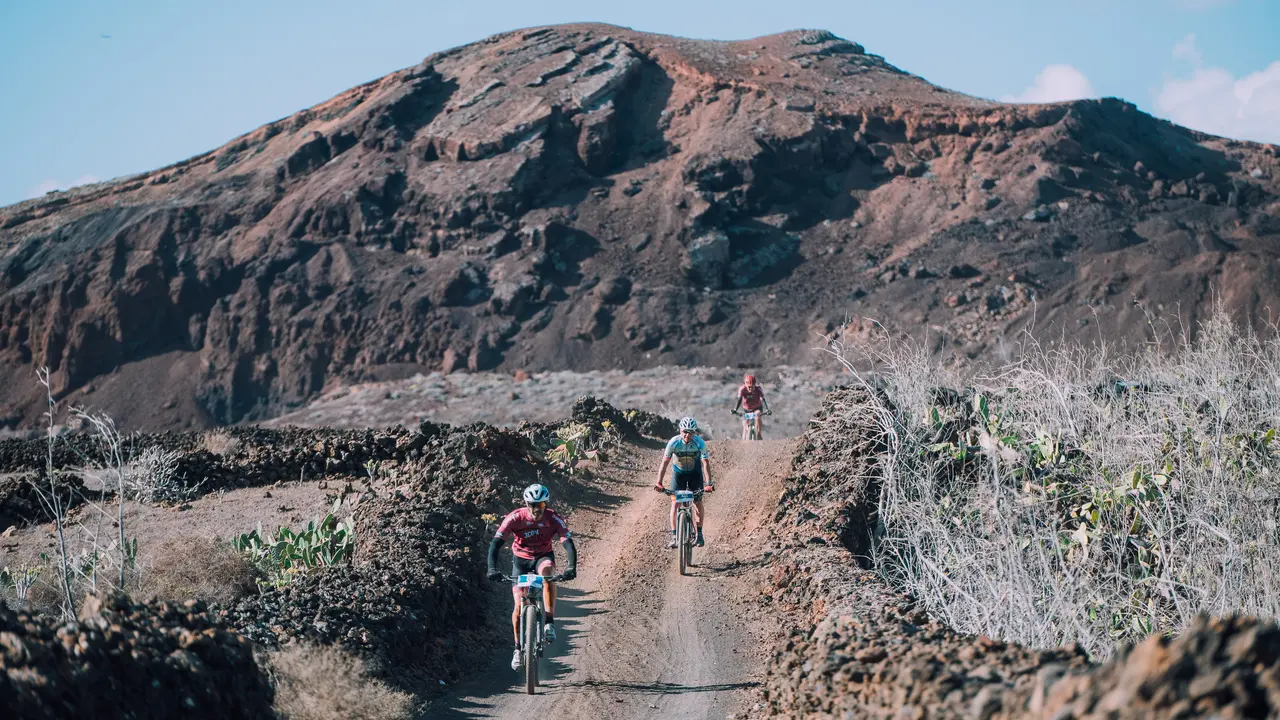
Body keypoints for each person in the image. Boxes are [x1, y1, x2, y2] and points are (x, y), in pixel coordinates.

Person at [487, 483, 577, 671]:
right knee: (518, 606)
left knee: (548, 574)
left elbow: (567, 542)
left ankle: (549, 623)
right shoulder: (515, 517)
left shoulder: (553, 518)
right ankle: (518, 649)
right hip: (521, 561)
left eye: (541, 505)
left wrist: (571, 567)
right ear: (527, 504)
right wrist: (492, 568)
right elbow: (496, 543)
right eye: (533, 505)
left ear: (546, 504)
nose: (537, 509)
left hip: (542, 557)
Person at [653, 417, 714, 548]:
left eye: (691, 432)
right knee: (675, 504)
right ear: (680, 430)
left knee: (697, 502)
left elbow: (705, 463)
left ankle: (699, 535)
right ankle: (675, 536)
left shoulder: (699, 443)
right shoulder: (673, 442)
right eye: (685, 431)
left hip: (695, 474)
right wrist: (659, 483)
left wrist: (709, 483)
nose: (687, 435)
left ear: (695, 432)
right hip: (678, 475)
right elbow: (665, 462)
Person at [732, 374, 772, 439]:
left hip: (757, 408)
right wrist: (735, 409)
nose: (750, 389)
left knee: (757, 416)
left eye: (752, 387)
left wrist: (767, 409)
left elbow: (762, 399)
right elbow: (739, 400)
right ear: (745, 385)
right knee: (745, 425)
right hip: (747, 409)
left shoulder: (758, 389)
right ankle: (744, 440)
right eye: (749, 387)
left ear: (755, 385)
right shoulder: (742, 389)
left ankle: (759, 434)